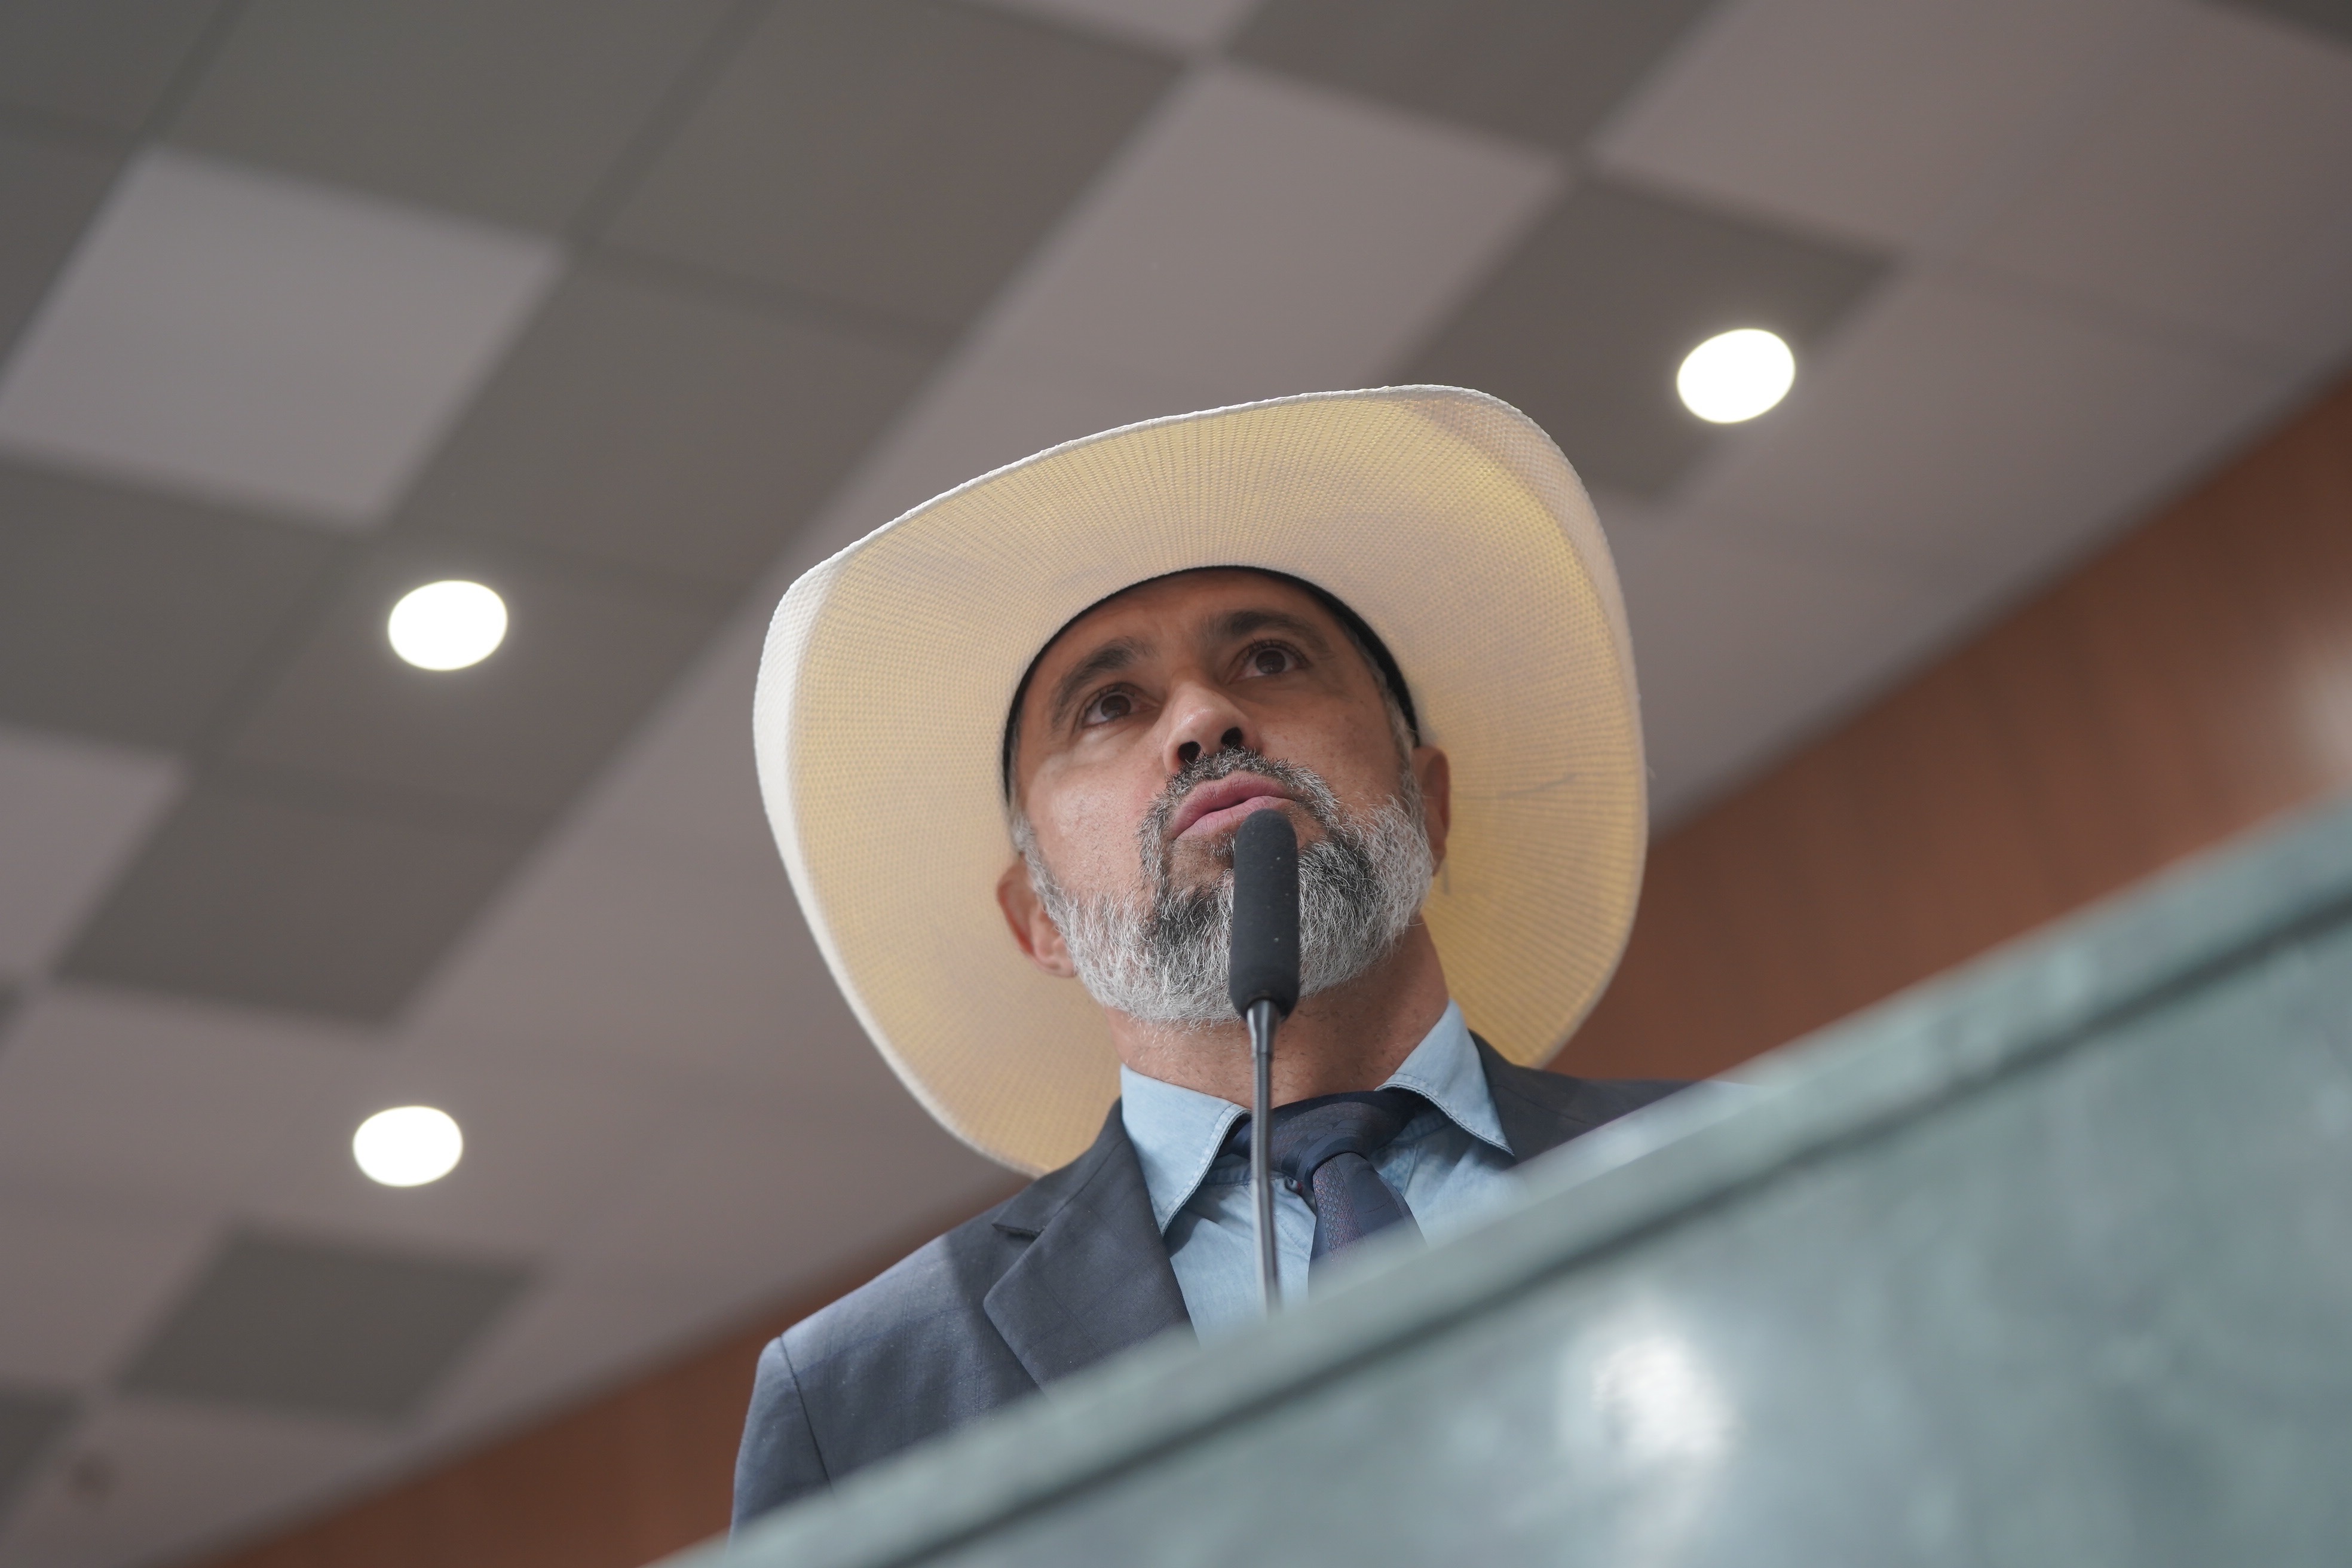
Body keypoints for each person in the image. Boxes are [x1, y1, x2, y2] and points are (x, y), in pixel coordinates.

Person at [733, 387, 1680, 1529]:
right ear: (1040, 919)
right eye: (1108, 705)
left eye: (1271, 659)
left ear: (1428, 808)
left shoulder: (1746, 1153)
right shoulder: (863, 1396)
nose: (1201, 720)